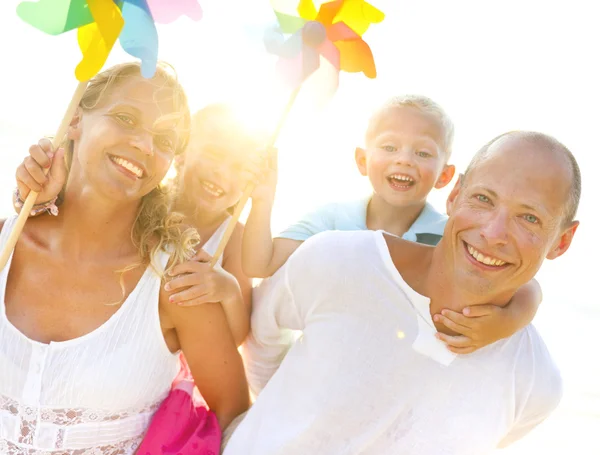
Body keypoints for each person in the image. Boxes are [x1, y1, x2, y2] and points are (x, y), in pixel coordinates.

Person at [224, 130, 580, 454]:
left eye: (529, 218)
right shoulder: (336, 259)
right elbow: (262, 341)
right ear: (454, 196)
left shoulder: (536, 385)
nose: (494, 232)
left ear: (562, 241)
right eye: (484, 198)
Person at [2, 62, 249, 455]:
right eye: (125, 118)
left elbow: (235, 413)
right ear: (75, 120)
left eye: (165, 139)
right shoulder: (5, 244)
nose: (145, 146)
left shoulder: (173, 283)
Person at [243, 95, 543, 353]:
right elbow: (260, 264)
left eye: (423, 153)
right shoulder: (332, 221)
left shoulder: (449, 235)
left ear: (445, 175)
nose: (404, 160)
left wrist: (507, 322)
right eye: (389, 147)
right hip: (329, 352)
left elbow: (527, 287)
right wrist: (262, 201)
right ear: (362, 160)